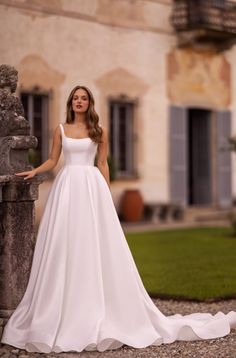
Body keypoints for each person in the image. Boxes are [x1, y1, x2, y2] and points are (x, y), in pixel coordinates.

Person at [1, 85, 236, 353]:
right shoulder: (61, 129)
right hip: (66, 189)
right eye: (76, 98)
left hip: (91, 189)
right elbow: (54, 160)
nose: (79, 102)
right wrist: (33, 172)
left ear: (89, 103)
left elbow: (102, 163)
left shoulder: (99, 131)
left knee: (94, 244)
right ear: (71, 103)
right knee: (64, 245)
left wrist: (106, 195)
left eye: (84, 98)